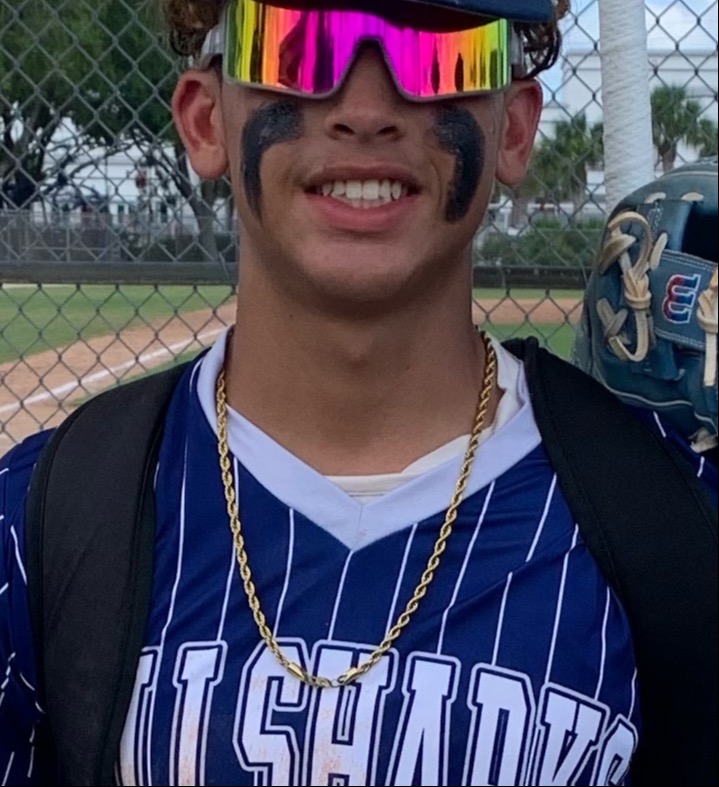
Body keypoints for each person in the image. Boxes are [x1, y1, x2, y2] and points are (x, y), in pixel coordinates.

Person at [0, 2, 716, 785]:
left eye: (440, 54)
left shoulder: (675, 519)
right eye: (295, 44)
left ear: (512, 129)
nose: (366, 110)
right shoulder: (40, 522)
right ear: (206, 120)